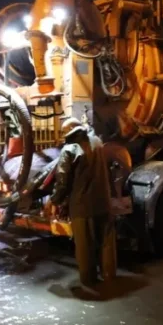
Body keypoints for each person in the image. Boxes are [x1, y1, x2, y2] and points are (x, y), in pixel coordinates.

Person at [45, 118, 116, 286]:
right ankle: (109, 276)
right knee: (106, 243)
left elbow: (62, 181)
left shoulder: (69, 149)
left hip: (82, 207)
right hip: (104, 203)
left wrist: (54, 201)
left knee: (85, 246)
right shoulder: (97, 142)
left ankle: (89, 282)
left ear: (69, 131)